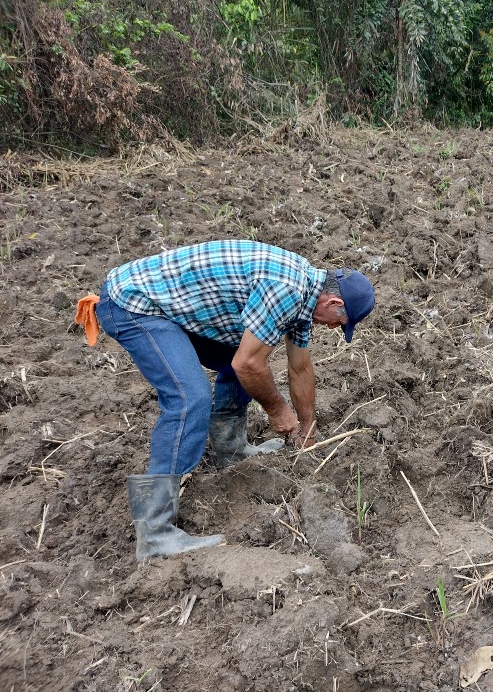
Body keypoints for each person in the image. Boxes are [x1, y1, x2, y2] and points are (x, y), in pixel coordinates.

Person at [76, 240, 375, 561]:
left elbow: (300, 367)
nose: (333, 328)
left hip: (171, 304)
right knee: (190, 397)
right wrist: (278, 411)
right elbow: (248, 365)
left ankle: (230, 450)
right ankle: (154, 532)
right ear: (332, 302)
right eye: (339, 323)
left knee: (248, 348)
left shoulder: (305, 300)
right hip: (133, 305)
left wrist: (307, 429)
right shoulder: (286, 290)